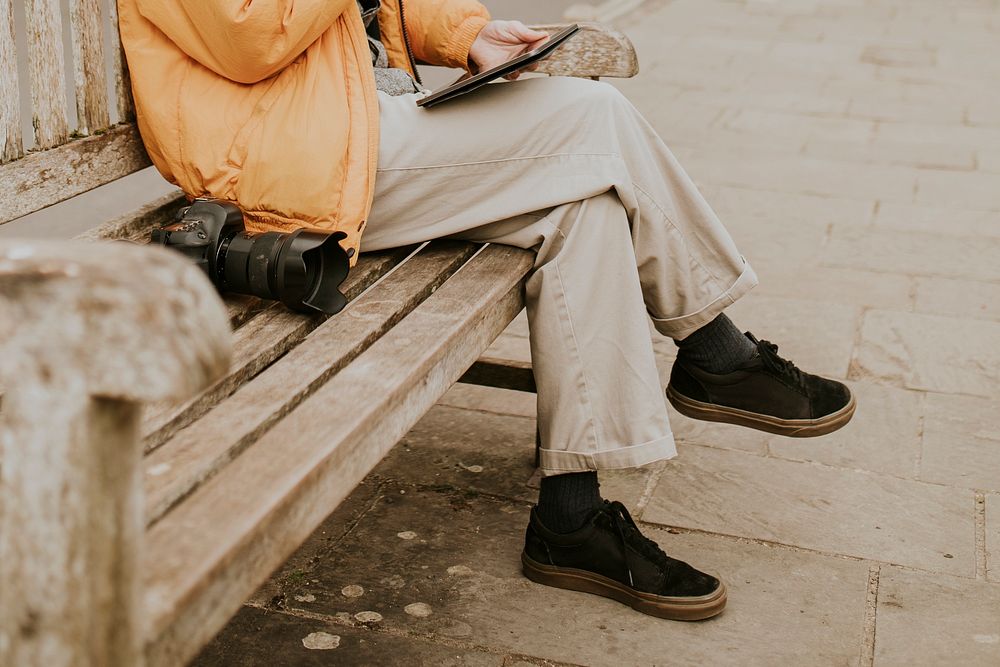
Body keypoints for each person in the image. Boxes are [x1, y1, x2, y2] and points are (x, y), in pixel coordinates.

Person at [119, 0, 855, 621]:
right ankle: (714, 350)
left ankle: (571, 518)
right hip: (291, 161)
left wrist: (467, 35)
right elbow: (249, 35)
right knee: (595, 117)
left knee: (584, 209)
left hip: (364, 124)